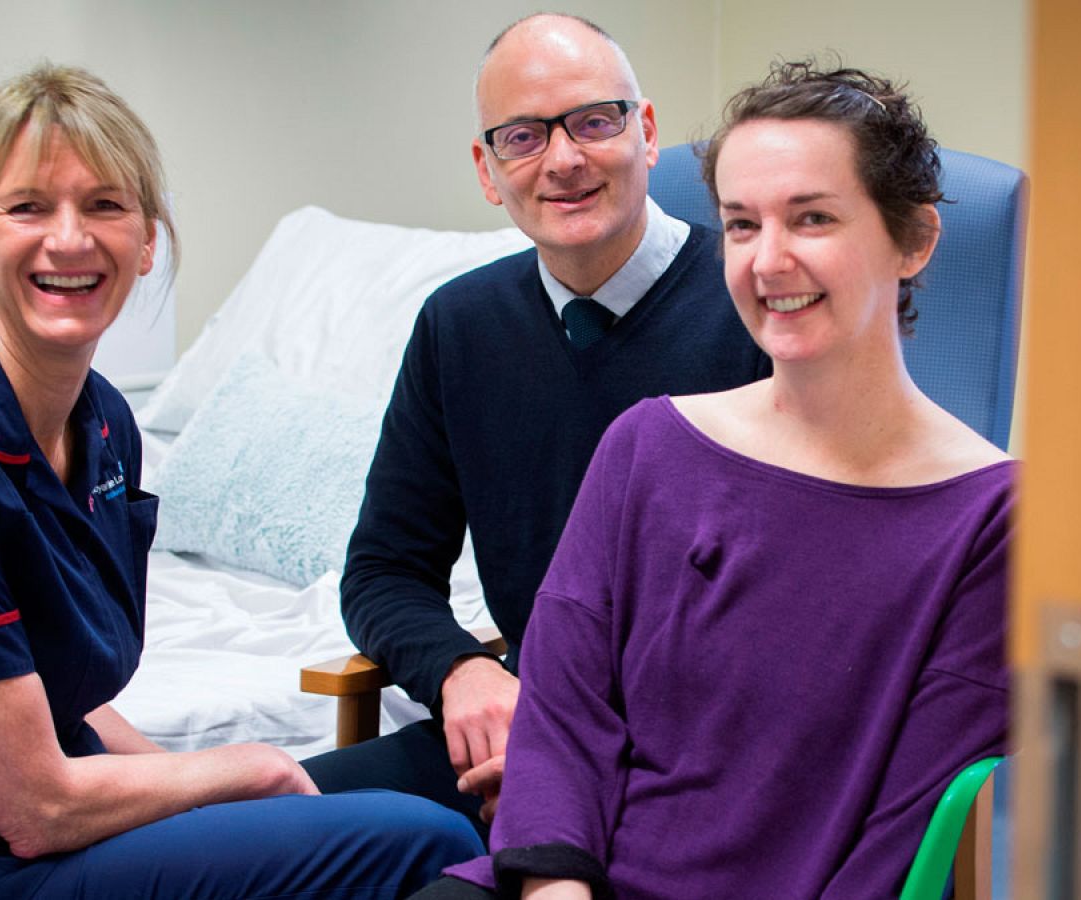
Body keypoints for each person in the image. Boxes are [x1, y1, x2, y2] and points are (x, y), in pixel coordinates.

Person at [0, 64, 481, 898]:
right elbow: (36, 808)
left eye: (105, 205)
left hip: (33, 823)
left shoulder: (102, 423)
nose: (69, 239)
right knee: (422, 841)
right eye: (28, 206)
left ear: (147, 242)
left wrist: (219, 791)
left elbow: (54, 693)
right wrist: (246, 771)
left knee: (421, 797)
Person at [416, 60, 1016, 898]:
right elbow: (562, 714)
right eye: (741, 225)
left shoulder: (995, 520)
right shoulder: (650, 447)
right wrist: (556, 888)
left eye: (811, 219)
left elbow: (904, 836)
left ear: (913, 239)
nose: (769, 261)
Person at [301, 13, 769, 831]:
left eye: (594, 121)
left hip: (702, 764)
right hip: (519, 732)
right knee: (267, 829)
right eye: (522, 136)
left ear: (647, 131)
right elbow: (382, 571)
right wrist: (461, 674)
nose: (563, 159)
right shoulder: (460, 326)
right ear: (488, 170)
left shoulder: (755, 310)